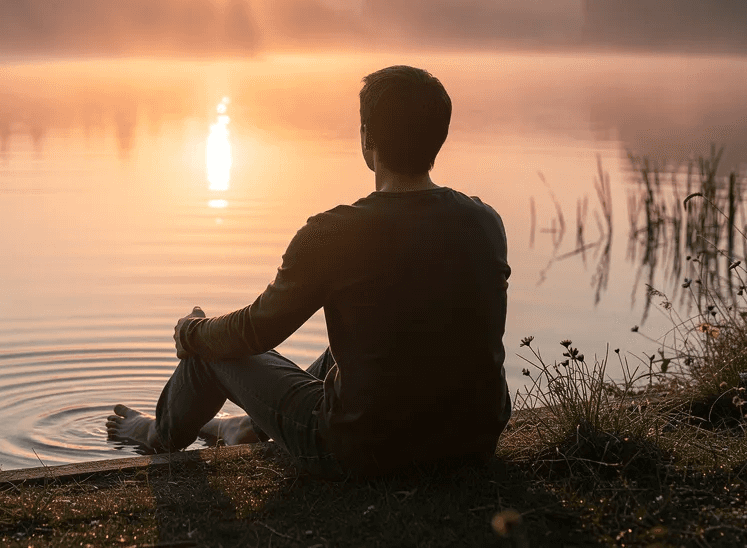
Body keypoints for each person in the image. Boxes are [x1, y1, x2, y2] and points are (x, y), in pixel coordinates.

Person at [106, 65, 510, 478]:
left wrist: (193, 331)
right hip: (471, 443)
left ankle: (159, 434)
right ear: (437, 137)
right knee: (378, 333)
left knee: (213, 346)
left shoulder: (334, 234)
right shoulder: (484, 222)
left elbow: (254, 333)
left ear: (367, 135)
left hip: (360, 450)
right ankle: (246, 427)